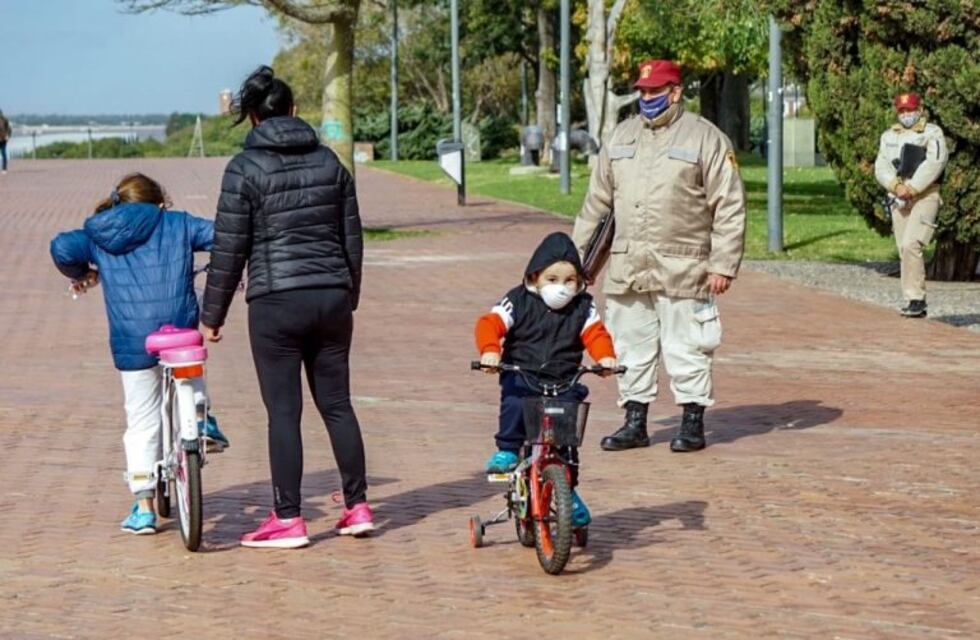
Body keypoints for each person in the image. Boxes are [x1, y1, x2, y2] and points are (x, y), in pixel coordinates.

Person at [200, 66, 370, 549]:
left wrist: (212, 317)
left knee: (283, 412)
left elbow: (230, 249)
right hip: (332, 296)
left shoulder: (243, 169)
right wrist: (348, 294)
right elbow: (351, 238)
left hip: (276, 302)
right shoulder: (330, 162)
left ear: (253, 117)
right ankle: (357, 507)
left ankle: (289, 519)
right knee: (338, 404)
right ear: (294, 111)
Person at [572, 59, 746, 454]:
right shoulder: (621, 137)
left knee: (688, 346)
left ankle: (692, 421)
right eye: (643, 91)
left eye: (655, 91)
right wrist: (577, 263)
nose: (647, 98)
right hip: (629, 264)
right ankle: (635, 422)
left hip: (685, 265)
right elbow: (596, 204)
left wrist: (723, 263)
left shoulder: (706, 138)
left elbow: (729, 205)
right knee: (630, 346)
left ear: (676, 91)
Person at [49, 173, 228, 535]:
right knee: (187, 362)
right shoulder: (177, 223)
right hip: (178, 331)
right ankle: (201, 416)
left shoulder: (99, 234)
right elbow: (224, 234)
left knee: (142, 419)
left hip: (133, 340)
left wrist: (86, 272)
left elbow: (61, 247)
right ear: (159, 202)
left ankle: (144, 507)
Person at [475, 232, 618, 527]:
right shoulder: (518, 300)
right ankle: (507, 450)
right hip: (522, 373)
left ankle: (568, 493)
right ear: (536, 276)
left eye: (570, 281)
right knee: (514, 402)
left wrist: (605, 358)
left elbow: (596, 334)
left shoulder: (583, 306)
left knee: (566, 439)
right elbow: (490, 323)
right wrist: (491, 351)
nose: (562, 288)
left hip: (564, 378)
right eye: (552, 279)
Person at [874, 91, 948, 318]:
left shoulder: (932, 132)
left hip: (924, 194)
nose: (907, 114)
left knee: (911, 244)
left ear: (920, 109)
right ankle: (911, 298)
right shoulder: (889, 136)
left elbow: (935, 161)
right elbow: (881, 165)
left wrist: (913, 187)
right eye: (902, 110)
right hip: (899, 195)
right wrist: (895, 185)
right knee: (903, 249)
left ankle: (917, 299)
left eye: (911, 110)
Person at [0, 109, 11, 173]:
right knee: (3, 153)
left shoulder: (4, 120)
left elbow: (9, 129)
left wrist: (8, 136)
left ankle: (4, 168)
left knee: (3, 153)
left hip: (3, 139)